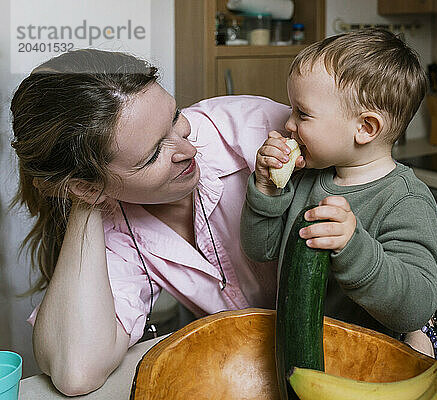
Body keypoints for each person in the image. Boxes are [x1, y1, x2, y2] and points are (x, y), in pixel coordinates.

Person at [10, 49, 291, 395]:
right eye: (154, 154)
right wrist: (85, 202)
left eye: (174, 117)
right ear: (89, 186)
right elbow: (77, 370)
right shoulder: (114, 226)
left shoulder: (259, 129)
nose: (188, 150)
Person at [240, 28, 437, 356]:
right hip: (296, 351)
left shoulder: (406, 201)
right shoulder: (306, 177)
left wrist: (353, 247)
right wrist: (266, 190)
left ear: (365, 128)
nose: (288, 124)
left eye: (302, 113)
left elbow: (416, 307)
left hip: (366, 364)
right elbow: (260, 249)